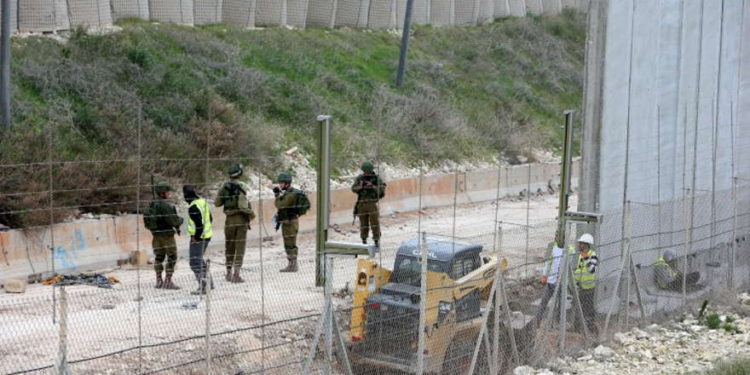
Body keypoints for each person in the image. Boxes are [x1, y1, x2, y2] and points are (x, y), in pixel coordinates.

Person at [215, 164, 256, 283]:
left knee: (229, 246)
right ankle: (236, 274)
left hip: (229, 220)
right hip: (240, 220)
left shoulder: (224, 186)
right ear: (240, 174)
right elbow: (243, 206)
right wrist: (252, 214)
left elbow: (217, 203)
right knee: (240, 247)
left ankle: (228, 272)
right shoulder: (242, 186)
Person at [144, 182, 183, 290]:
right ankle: (168, 281)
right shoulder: (165, 206)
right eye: (167, 191)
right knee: (172, 257)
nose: (169, 193)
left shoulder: (152, 204)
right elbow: (173, 221)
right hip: (167, 236)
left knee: (159, 257)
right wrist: (181, 220)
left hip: (156, 235)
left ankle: (159, 281)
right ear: (162, 193)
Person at [273, 172, 310, 273]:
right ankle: (291, 264)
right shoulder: (289, 193)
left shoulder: (291, 194)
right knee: (288, 243)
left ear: (287, 183)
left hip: (290, 222)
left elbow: (280, 205)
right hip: (288, 221)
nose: (280, 185)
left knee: (290, 243)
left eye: (282, 183)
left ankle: (293, 265)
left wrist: (276, 195)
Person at [184, 185, 214, 295]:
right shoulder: (202, 202)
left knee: (194, 261)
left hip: (199, 237)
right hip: (207, 235)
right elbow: (210, 218)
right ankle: (209, 283)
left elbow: (199, 225)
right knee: (199, 259)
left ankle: (204, 286)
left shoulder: (193, 207)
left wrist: (195, 237)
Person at [351, 161, 387, 247]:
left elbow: (382, 190)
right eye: (365, 171)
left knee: (374, 223)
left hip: (372, 203)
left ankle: (376, 240)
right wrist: (361, 187)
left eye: (367, 171)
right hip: (362, 203)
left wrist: (372, 186)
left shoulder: (376, 179)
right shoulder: (360, 178)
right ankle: (364, 240)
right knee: (363, 224)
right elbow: (353, 188)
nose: (366, 173)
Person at [535, 232, 565, 326]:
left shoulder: (568, 249)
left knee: (560, 304)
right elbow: (547, 263)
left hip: (561, 282)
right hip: (551, 281)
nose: (555, 237)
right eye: (555, 235)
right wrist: (544, 276)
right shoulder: (551, 247)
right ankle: (538, 321)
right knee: (544, 302)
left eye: (558, 236)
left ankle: (558, 323)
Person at [572, 233, 598, 335]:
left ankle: (592, 329)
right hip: (581, 287)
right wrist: (576, 283)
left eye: (581, 243)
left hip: (589, 287)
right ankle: (577, 328)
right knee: (579, 308)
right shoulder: (581, 256)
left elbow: (592, 270)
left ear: (586, 245)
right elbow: (579, 271)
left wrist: (586, 258)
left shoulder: (593, 255)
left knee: (588, 310)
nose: (579, 245)